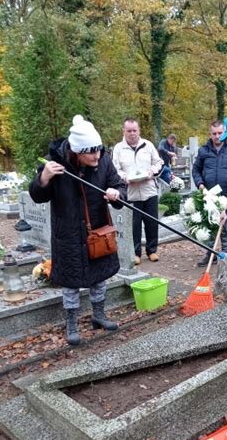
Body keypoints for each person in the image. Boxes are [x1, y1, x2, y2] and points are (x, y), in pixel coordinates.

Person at [29, 115, 127, 346]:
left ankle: (99, 314)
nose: (97, 156)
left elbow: (119, 185)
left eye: (99, 150)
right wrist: (44, 177)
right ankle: (71, 321)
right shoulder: (56, 165)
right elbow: (37, 196)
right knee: (71, 282)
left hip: (97, 230)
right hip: (69, 232)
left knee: (99, 277)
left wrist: (116, 193)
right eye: (91, 152)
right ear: (77, 151)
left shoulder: (103, 161)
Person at [112, 118, 163, 265]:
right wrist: (124, 177)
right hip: (131, 191)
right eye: (129, 131)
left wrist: (151, 172)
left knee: (152, 221)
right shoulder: (118, 149)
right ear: (124, 131)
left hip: (149, 189)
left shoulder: (148, 145)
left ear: (139, 130)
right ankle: (136, 253)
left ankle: (152, 250)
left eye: (134, 130)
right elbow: (115, 169)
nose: (132, 133)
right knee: (134, 224)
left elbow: (158, 162)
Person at [192, 120, 227, 265]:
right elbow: (196, 170)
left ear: (224, 132)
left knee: (225, 226)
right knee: (209, 225)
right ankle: (210, 254)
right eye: (214, 133)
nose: (217, 136)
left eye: (220, 133)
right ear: (210, 134)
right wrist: (200, 185)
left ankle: (226, 255)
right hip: (209, 194)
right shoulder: (203, 151)